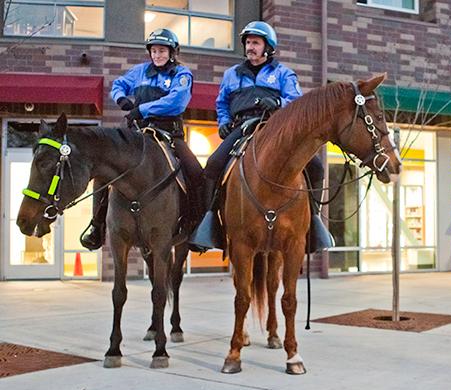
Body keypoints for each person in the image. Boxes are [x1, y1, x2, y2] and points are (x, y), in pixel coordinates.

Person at [189, 20, 333, 252]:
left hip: (274, 129)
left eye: (255, 42)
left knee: (316, 167)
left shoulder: (284, 73)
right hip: (243, 127)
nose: (250, 47)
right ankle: (208, 222)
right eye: (247, 42)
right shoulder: (231, 74)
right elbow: (222, 102)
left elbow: (296, 103)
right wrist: (224, 122)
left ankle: (314, 223)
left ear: (268, 47)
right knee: (214, 164)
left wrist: (278, 103)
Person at [80, 28, 205, 250]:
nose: (157, 55)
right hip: (137, 135)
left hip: (169, 135)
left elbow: (177, 102)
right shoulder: (139, 72)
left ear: (172, 52)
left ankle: (195, 227)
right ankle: (96, 226)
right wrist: (121, 100)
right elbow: (118, 85)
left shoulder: (182, 74)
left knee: (195, 173)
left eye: (162, 50)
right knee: (103, 170)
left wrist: (142, 109)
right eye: (154, 50)